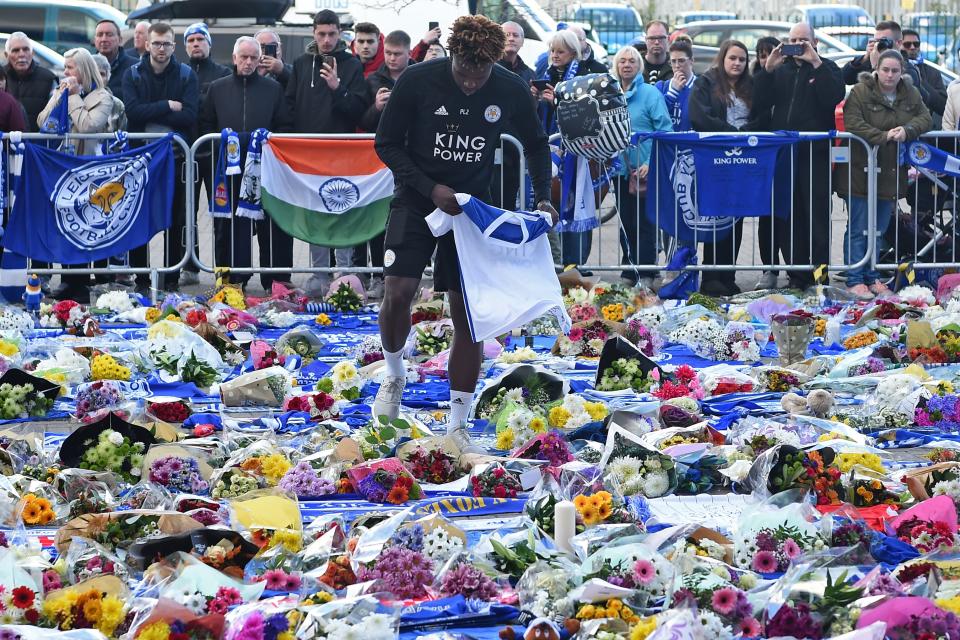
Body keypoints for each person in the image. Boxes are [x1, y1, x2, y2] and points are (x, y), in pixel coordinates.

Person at [372, 15, 554, 437]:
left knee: (467, 314)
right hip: (417, 198)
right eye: (464, 73)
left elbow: (537, 143)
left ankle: (457, 424)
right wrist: (429, 187)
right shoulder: (417, 80)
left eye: (480, 74)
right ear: (451, 56)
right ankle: (395, 371)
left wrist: (543, 195)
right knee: (398, 292)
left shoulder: (508, 86)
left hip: (471, 212)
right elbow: (385, 143)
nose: (471, 83)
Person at [752, 22, 844, 290]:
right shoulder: (779, 70)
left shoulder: (826, 67)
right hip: (784, 154)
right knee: (787, 216)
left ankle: (819, 275)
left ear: (815, 42)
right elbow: (759, 103)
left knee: (816, 217)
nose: (797, 45)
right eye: (792, 40)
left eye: (803, 40)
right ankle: (796, 274)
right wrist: (767, 70)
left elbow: (833, 97)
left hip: (814, 154)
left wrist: (815, 63)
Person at [287, 9, 370, 297]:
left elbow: (358, 111)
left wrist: (337, 88)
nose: (326, 40)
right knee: (316, 215)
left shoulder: (352, 66)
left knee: (342, 213)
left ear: (339, 34)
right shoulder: (300, 64)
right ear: (314, 33)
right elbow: (290, 107)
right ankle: (320, 275)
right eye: (321, 34)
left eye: (331, 34)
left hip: (342, 153)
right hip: (310, 156)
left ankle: (344, 276)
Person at [200, 36, 292, 292]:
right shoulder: (217, 88)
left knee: (271, 226)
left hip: (264, 169)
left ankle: (276, 280)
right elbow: (206, 125)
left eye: (253, 57)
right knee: (227, 225)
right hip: (228, 170)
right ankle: (230, 280)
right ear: (234, 58)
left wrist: (267, 144)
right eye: (244, 57)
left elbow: (285, 125)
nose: (248, 62)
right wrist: (219, 149)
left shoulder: (273, 90)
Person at [838, 50, 931, 300]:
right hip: (859, 170)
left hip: (890, 173)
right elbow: (853, 122)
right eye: (886, 69)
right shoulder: (860, 91)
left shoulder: (909, 92)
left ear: (902, 72)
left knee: (879, 228)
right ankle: (854, 278)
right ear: (876, 68)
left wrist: (908, 130)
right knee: (858, 227)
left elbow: (925, 118)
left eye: (895, 70)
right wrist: (884, 137)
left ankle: (872, 275)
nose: (890, 75)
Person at [122, 22, 200, 295]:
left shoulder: (186, 75)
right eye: (157, 43)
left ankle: (170, 278)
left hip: (175, 159)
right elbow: (132, 112)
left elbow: (190, 115)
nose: (161, 48)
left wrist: (150, 112)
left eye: (167, 43)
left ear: (173, 46)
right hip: (140, 160)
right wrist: (167, 105)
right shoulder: (132, 74)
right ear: (146, 44)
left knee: (174, 219)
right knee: (139, 218)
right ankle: (142, 279)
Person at [37, 48, 115, 300]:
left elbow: (88, 126)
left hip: (90, 172)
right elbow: (42, 122)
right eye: (65, 67)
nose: (66, 72)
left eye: (70, 67)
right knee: (64, 224)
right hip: (63, 170)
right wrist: (60, 97)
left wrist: (72, 98)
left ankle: (82, 282)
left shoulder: (103, 97)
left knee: (84, 225)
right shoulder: (63, 92)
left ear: (82, 69)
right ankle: (68, 278)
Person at [689, 39, 759, 297]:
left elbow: (761, 116)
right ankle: (712, 276)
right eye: (733, 58)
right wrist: (731, 134)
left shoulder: (751, 86)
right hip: (715, 159)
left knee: (735, 219)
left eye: (742, 59)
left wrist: (745, 135)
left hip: (743, 160)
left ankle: (728, 274)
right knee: (715, 216)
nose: (737, 63)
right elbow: (700, 115)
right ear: (723, 58)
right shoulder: (705, 82)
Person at [357, 29, 413, 299]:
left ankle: (406, 275)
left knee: (406, 221)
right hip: (377, 160)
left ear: (408, 53)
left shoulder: (418, 77)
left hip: (412, 157)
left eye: (397, 54)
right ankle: (377, 277)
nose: (392, 58)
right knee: (376, 219)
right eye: (388, 53)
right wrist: (377, 107)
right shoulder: (372, 79)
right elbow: (362, 121)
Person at [533, 29, 596, 269]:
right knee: (550, 206)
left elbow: (586, 112)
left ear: (573, 52)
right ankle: (553, 265)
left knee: (576, 206)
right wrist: (535, 98)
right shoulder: (545, 73)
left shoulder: (583, 75)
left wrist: (556, 102)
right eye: (552, 50)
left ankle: (575, 263)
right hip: (549, 149)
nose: (555, 56)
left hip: (576, 153)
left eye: (560, 51)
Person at [611, 46, 672, 289]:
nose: (626, 65)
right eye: (622, 61)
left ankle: (646, 271)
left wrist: (650, 162)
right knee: (626, 222)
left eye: (632, 61)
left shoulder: (651, 94)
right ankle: (629, 268)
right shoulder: (610, 93)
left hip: (646, 169)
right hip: (619, 169)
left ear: (639, 66)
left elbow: (664, 130)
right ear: (616, 66)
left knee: (645, 223)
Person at [182, 22, 230, 288]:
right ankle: (189, 266)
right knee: (187, 214)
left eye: (201, 39)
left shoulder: (221, 73)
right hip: (186, 152)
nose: (196, 44)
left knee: (220, 214)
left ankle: (222, 268)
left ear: (209, 44)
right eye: (191, 40)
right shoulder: (180, 73)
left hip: (214, 154)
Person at [841, 21, 924, 98]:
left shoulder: (908, 69)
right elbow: (845, 78)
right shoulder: (869, 61)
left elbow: (889, 97)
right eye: (876, 41)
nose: (879, 45)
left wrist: (876, 66)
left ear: (898, 43)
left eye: (884, 41)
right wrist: (865, 58)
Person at [4, 32, 56, 133]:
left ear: (32, 53)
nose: (21, 54)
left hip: (38, 145)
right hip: (5, 145)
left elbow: (54, 117)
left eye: (26, 49)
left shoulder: (49, 79)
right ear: (6, 55)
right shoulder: (1, 78)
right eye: (15, 50)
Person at [656, 39, 696, 131]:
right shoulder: (661, 87)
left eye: (681, 61)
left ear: (691, 61)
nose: (677, 65)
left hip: (690, 144)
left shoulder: (702, 87)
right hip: (666, 144)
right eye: (673, 61)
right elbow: (657, 116)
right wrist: (672, 93)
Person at [94, 19, 136, 99]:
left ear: (120, 40)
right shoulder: (87, 66)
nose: (104, 39)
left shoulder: (134, 67)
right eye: (99, 35)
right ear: (94, 40)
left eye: (109, 35)